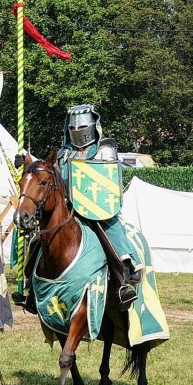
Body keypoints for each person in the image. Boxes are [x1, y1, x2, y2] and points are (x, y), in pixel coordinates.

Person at [57, 104, 141, 307]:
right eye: (73, 128)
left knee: (112, 229)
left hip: (97, 210)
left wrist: (95, 204)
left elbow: (109, 184)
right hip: (68, 208)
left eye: (81, 127)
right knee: (39, 237)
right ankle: (31, 289)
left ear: (93, 126)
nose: (77, 132)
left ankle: (125, 276)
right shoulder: (63, 153)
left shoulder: (105, 151)